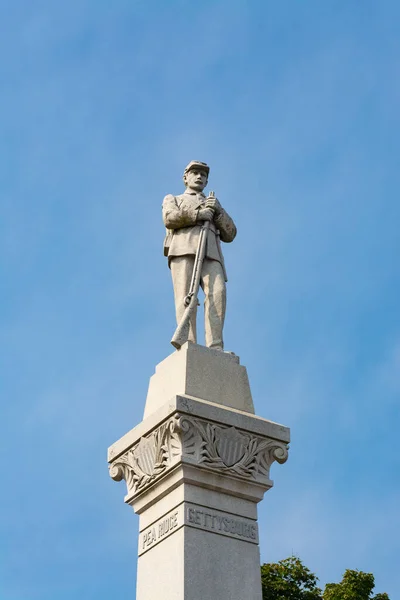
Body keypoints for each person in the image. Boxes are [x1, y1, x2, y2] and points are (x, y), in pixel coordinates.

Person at [162, 160, 236, 350]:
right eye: (195, 173)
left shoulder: (213, 204)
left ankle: (216, 346)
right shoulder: (174, 198)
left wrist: (218, 211)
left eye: (203, 174)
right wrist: (197, 215)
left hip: (211, 253)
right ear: (185, 177)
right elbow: (169, 217)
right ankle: (188, 343)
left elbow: (231, 233)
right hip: (183, 249)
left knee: (218, 294)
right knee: (185, 297)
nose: (199, 176)